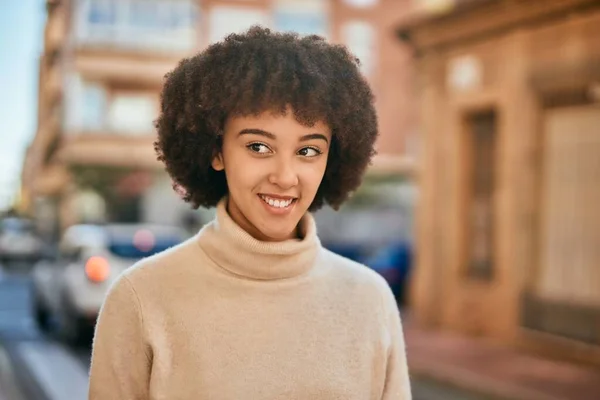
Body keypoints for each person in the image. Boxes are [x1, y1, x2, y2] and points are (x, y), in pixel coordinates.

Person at [89, 26, 411, 399]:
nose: (285, 177)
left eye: (308, 151)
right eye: (259, 146)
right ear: (216, 151)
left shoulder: (370, 300)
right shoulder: (141, 298)